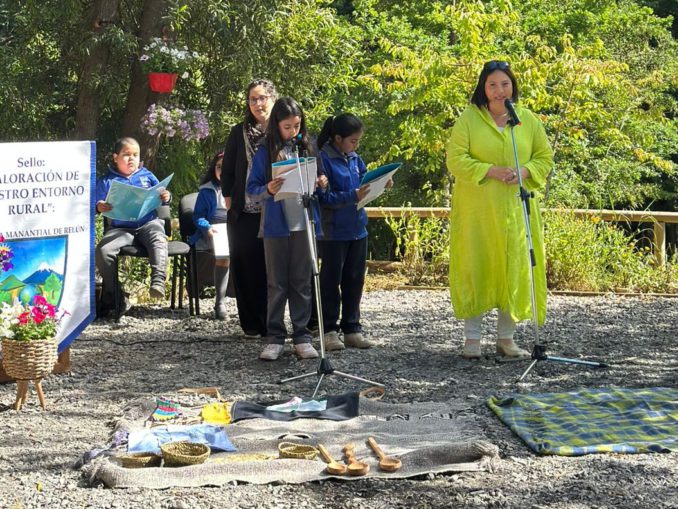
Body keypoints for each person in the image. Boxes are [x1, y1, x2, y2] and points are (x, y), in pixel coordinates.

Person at [446, 60, 553, 359]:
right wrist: (490, 171)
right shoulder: (469, 118)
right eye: (492, 85)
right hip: (477, 211)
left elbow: (544, 157)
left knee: (514, 267)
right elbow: (455, 159)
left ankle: (506, 338)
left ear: (513, 86)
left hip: (516, 210)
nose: (499, 90)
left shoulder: (526, 119)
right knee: (476, 266)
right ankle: (472, 339)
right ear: (483, 88)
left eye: (504, 84)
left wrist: (525, 171)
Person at [246, 97, 328, 361]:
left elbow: (321, 183)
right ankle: (275, 337)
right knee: (277, 284)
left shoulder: (308, 147)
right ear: (276, 126)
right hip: (276, 227)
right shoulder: (265, 151)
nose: (294, 132)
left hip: (304, 223)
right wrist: (268, 189)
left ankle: (302, 336)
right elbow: (251, 190)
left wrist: (322, 182)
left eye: (297, 125)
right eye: (287, 127)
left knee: (302, 282)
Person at [316, 113, 379, 351]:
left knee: (355, 280)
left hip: (357, 228)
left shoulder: (355, 158)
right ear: (338, 138)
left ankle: (352, 328)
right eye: (353, 141)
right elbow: (324, 198)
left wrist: (380, 184)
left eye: (358, 141)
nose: (356, 145)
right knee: (331, 281)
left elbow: (364, 183)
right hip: (333, 231)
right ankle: (329, 330)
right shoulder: (322, 159)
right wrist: (353, 196)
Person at [221, 79, 277, 338]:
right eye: (253, 99)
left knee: (271, 267)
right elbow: (228, 170)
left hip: (275, 210)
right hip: (244, 211)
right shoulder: (238, 132)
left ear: (273, 98)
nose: (257, 104)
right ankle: (252, 324)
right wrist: (229, 200)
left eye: (262, 98)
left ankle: (273, 322)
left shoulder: (282, 130)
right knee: (245, 266)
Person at [95, 137, 171, 317]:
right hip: (120, 229)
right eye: (126, 154)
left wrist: (166, 196)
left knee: (158, 237)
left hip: (148, 223)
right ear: (115, 157)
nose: (132, 159)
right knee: (103, 251)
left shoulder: (147, 175)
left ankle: (158, 281)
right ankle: (117, 295)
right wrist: (99, 206)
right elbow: (94, 204)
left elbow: (163, 194)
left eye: (135, 155)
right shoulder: (106, 181)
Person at [189, 151, 230, 319]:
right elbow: (198, 216)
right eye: (219, 167)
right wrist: (206, 228)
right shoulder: (207, 191)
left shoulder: (240, 187)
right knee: (224, 255)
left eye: (226, 167)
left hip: (235, 227)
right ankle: (220, 303)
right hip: (214, 229)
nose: (222, 170)